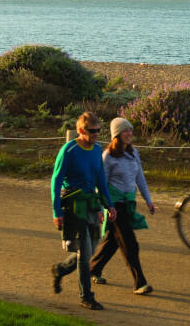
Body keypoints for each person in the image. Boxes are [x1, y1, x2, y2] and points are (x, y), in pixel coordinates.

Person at [50, 112, 117, 310]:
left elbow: (100, 180)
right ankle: (86, 295)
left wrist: (108, 205)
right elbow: (56, 181)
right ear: (80, 131)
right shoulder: (68, 151)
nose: (96, 134)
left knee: (90, 249)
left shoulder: (97, 150)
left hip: (91, 203)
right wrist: (56, 212)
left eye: (98, 130)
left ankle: (60, 269)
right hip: (73, 204)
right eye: (92, 131)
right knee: (85, 249)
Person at [89, 117, 156, 295]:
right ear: (116, 135)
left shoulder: (134, 154)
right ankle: (139, 282)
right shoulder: (108, 157)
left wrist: (149, 200)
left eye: (130, 130)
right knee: (130, 243)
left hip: (128, 203)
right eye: (125, 131)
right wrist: (100, 207)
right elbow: (100, 183)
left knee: (112, 242)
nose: (129, 134)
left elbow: (140, 178)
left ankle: (92, 269)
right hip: (114, 206)